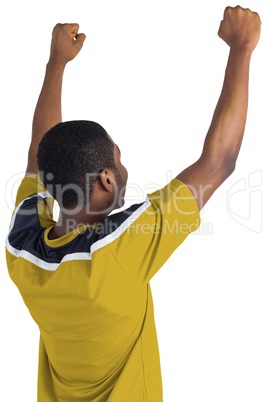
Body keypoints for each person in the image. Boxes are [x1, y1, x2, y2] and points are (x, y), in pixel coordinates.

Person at [5, 5, 261, 402]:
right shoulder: (119, 250)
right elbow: (219, 162)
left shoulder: (21, 249)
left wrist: (56, 63)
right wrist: (242, 47)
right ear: (107, 179)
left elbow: (38, 158)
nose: (123, 166)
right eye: (118, 159)